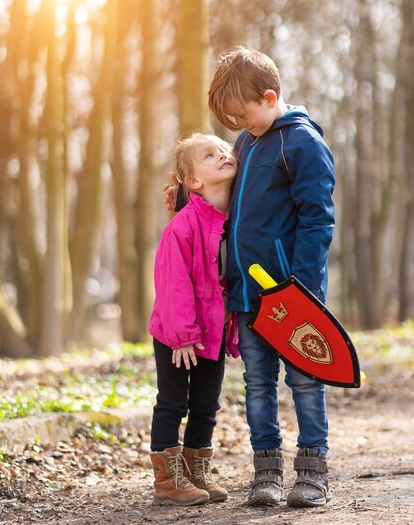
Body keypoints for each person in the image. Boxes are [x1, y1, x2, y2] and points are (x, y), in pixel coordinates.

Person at [164, 45, 335, 509]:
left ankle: (312, 471)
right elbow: (225, 203)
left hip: (292, 295)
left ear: (269, 95)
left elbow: (318, 220)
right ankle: (266, 474)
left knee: (304, 380)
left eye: (244, 116)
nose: (239, 128)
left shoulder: (302, 144)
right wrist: (185, 198)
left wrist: (301, 284)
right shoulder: (247, 143)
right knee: (258, 383)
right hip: (244, 293)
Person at [149, 133, 240, 507]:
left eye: (223, 150)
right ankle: (167, 479)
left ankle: (197, 468)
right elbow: (173, 283)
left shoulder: (234, 220)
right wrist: (182, 335)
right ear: (194, 182)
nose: (222, 155)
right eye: (209, 154)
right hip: (178, 333)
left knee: (206, 403)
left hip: (212, 331)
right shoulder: (184, 225)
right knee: (173, 402)